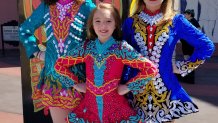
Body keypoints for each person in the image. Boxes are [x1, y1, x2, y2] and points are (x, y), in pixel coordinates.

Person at [54, 3, 157, 122]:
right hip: (88, 110)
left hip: (116, 111)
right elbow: (59, 64)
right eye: (98, 21)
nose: (103, 26)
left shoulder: (121, 49)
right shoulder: (87, 48)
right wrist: (75, 84)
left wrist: (128, 87)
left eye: (108, 21)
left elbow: (150, 69)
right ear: (92, 24)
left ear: (115, 25)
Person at [121, 0, 215, 123]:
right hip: (136, 97)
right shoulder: (130, 23)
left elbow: (206, 46)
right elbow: (121, 57)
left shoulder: (176, 20)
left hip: (166, 98)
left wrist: (182, 67)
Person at [19, 0, 95, 123]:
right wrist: (37, 52)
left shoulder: (86, 6)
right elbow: (25, 30)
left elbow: (100, 39)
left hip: (80, 79)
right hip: (55, 81)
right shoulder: (46, 6)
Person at [180, 9, 201, 84]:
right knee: (186, 59)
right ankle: (187, 77)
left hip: (190, 45)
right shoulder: (186, 21)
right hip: (185, 44)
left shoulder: (194, 21)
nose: (184, 15)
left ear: (189, 14)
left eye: (185, 13)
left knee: (190, 60)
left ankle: (191, 79)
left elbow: (198, 31)